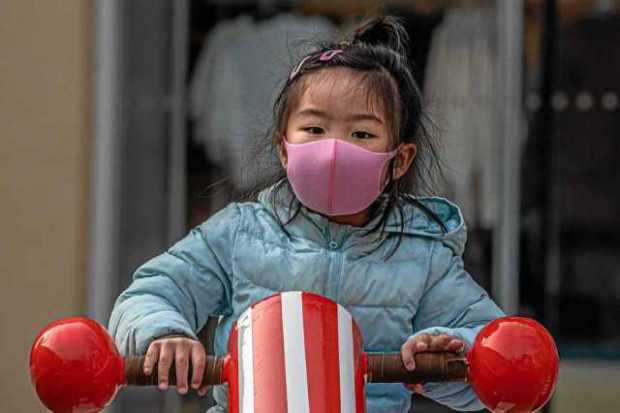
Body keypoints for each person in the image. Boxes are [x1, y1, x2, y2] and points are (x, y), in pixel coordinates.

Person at [109, 16, 504, 412]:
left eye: (361, 134)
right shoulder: (240, 233)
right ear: (284, 149)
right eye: (314, 129)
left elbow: (495, 352)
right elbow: (153, 290)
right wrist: (163, 334)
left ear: (399, 160)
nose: (333, 149)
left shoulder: (421, 257)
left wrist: (449, 352)